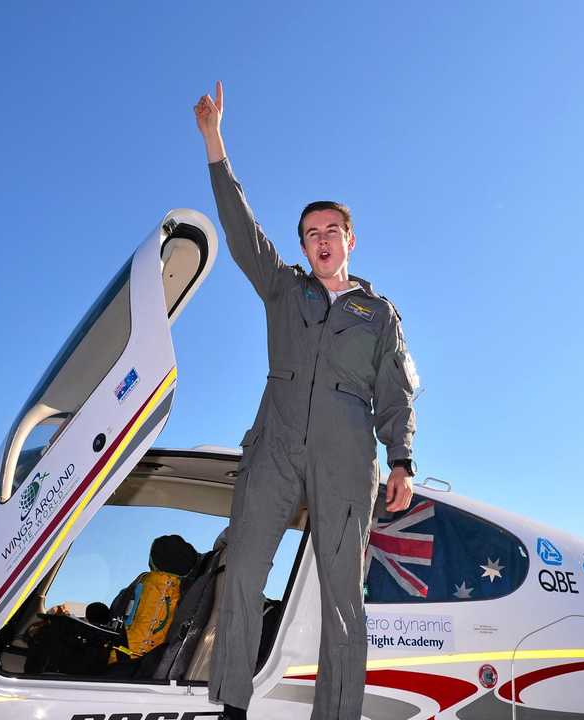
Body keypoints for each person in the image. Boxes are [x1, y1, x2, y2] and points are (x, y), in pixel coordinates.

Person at [193, 81, 420, 720]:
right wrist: (216, 144)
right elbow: (241, 232)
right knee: (241, 571)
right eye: (310, 233)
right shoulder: (283, 291)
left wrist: (400, 460)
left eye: (332, 231)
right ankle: (230, 704)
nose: (321, 241)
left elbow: (396, 389)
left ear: (351, 240)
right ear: (301, 247)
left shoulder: (379, 314)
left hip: (347, 454)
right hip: (277, 442)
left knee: (343, 598)